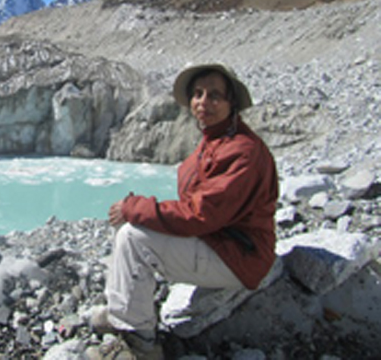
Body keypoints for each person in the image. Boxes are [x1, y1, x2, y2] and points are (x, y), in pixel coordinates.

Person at [92, 63, 279, 357]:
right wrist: (135, 210)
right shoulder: (216, 140)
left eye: (214, 95)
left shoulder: (242, 151)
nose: (203, 102)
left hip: (239, 256)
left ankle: (140, 341)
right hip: (222, 242)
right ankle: (123, 310)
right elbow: (201, 211)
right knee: (127, 223)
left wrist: (136, 207)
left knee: (132, 236)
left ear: (231, 102)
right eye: (198, 94)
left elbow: (200, 215)